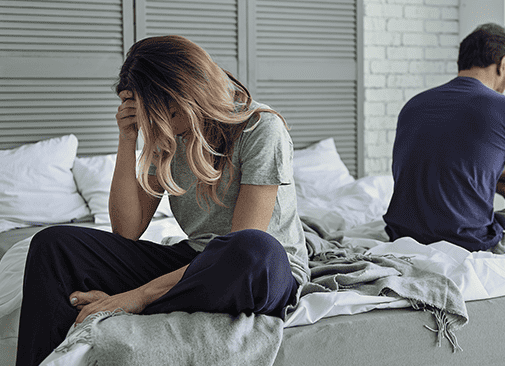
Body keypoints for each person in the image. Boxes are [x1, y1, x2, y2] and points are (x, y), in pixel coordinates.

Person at [16, 35, 309, 366]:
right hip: (195, 262)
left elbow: (241, 242)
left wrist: (135, 296)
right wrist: (127, 139)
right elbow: (127, 230)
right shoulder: (166, 134)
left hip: (261, 269)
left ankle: (130, 306)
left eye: (159, 110)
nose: (154, 123)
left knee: (253, 249)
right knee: (53, 244)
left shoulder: (260, 128)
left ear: (184, 94)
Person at [383, 23, 505, 254]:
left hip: (403, 236)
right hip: (469, 244)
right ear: (504, 64)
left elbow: (427, 164)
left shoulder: (413, 105)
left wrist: (494, 177)